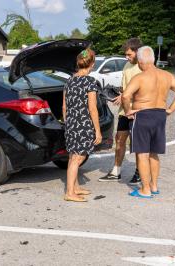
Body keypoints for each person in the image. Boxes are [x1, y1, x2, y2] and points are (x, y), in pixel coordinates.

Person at [122, 46, 175, 198]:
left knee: (142, 154)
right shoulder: (166, 75)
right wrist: (170, 109)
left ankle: (145, 190)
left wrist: (127, 111)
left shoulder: (139, 77)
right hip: (159, 115)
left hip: (142, 116)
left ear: (140, 61)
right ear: (152, 59)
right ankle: (154, 185)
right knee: (154, 153)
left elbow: (126, 96)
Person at [99, 38, 142, 184]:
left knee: (136, 143)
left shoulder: (143, 67)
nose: (127, 57)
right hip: (125, 110)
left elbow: (143, 90)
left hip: (137, 110)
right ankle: (116, 171)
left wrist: (124, 95)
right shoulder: (127, 65)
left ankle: (140, 172)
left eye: (129, 54)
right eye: (126, 54)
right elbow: (126, 87)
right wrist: (119, 94)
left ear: (137, 52)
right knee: (119, 140)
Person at [63, 48, 102, 202]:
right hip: (83, 124)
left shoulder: (69, 81)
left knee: (73, 156)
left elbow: (64, 107)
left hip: (71, 123)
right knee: (78, 159)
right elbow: (92, 108)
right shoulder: (90, 81)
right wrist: (97, 131)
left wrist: (68, 123)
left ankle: (75, 187)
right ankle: (69, 193)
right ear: (91, 64)